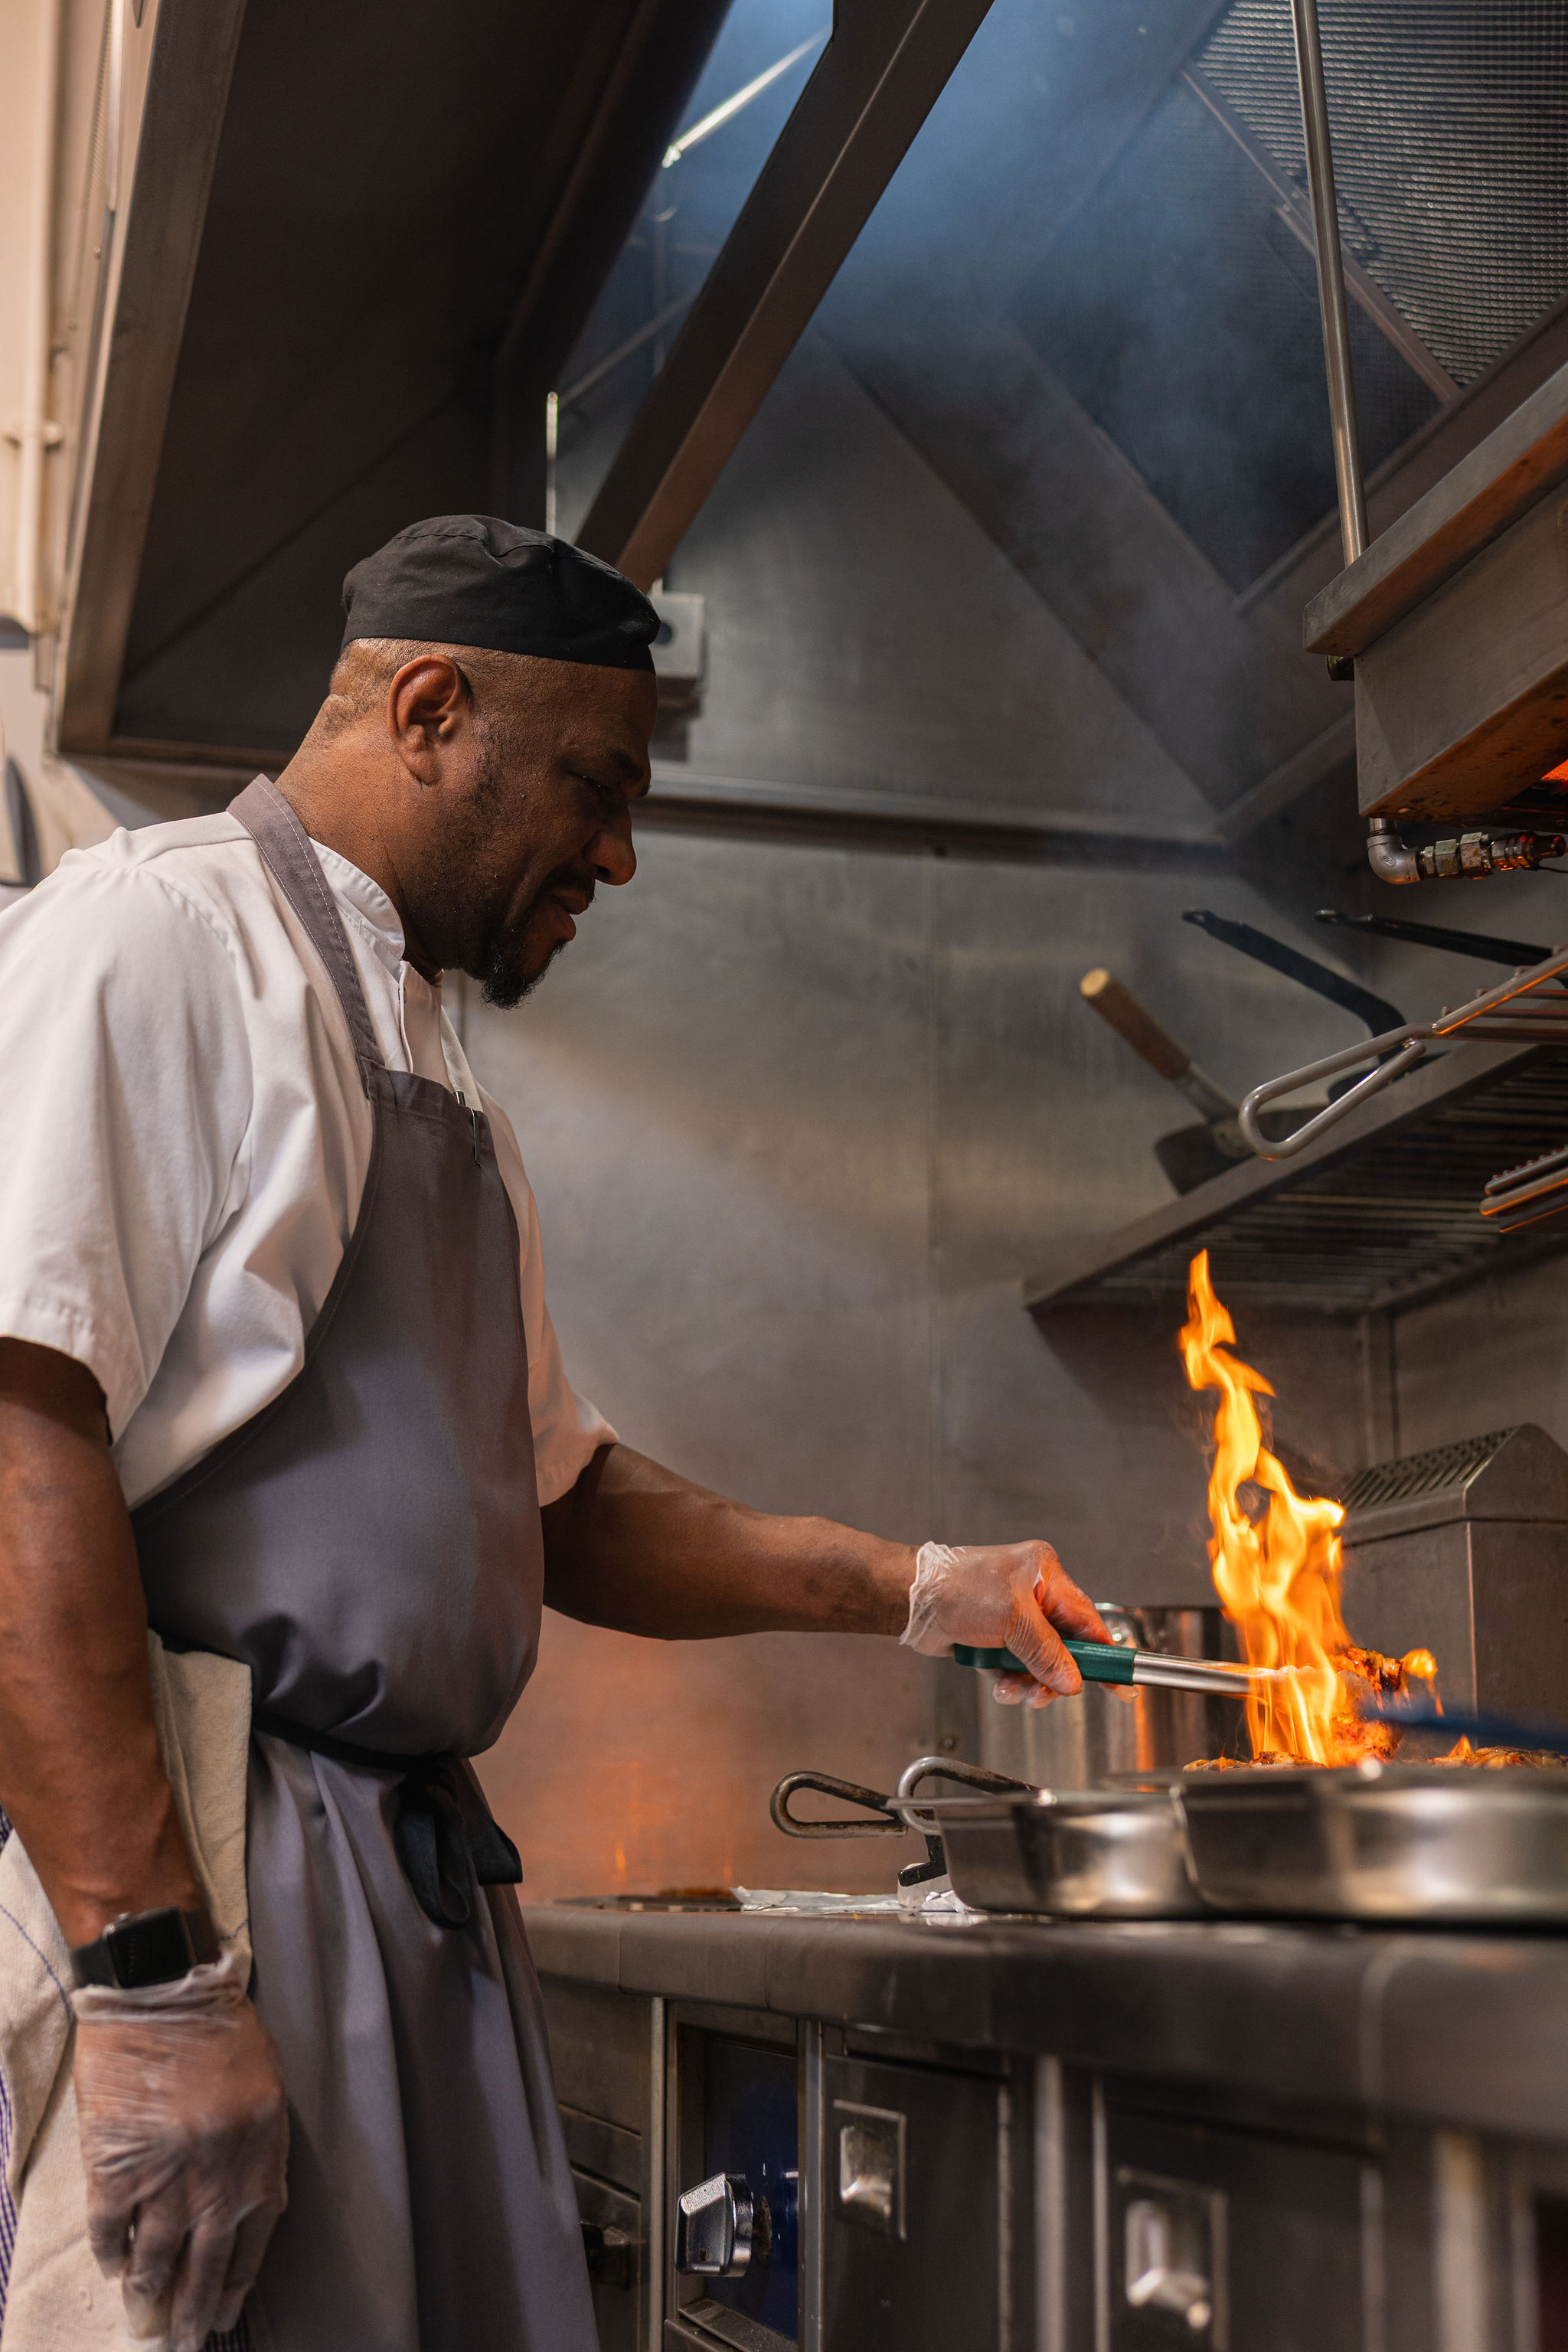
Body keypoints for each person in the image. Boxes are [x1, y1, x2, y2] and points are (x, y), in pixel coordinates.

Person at [0, 514, 1109, 2352]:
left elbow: (564, 1504)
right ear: (430, 709)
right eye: (594, 782)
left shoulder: (441, 1073)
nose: (617, 846)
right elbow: (18, 1426)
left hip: (410, 1901)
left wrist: (926, 1587)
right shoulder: (163, 938)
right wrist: (152, 1983)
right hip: (216, 1881)